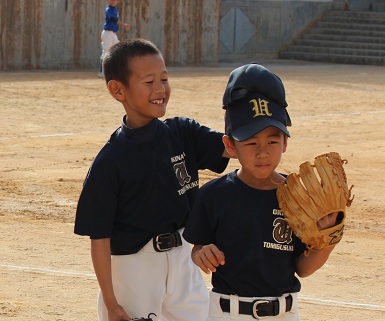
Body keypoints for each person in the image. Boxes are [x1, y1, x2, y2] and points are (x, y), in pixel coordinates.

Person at [74, 38, 229, 321]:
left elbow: (231, 145)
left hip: (184, 260)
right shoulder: (110, 161)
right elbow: (99, 239)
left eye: (164, 78)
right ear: (117, 90)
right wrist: (111, 303)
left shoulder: (183, 132)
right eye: (148, 82)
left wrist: (251, 121)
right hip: (134, 268)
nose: (161, 89)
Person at [183, 63, 341, 321]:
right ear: (229, 145)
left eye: (272, 140)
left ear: (285, 142)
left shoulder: (297, 197)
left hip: (284, 313)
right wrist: (201, 253)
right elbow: (197, 247)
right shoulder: (213, 195)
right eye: (251, 142)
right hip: (228, 313)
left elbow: (303, 268)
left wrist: (327, 239)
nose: (262, 152)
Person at [98, 0, 130, 78]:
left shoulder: (115, 9)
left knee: (118, 50)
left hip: (113, 34)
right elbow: (113, 20)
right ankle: (102, 72)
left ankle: (116, 71)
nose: (113, 1)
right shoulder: (108, 9)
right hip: (108, 33)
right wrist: (124, 25)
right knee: (106, 52)